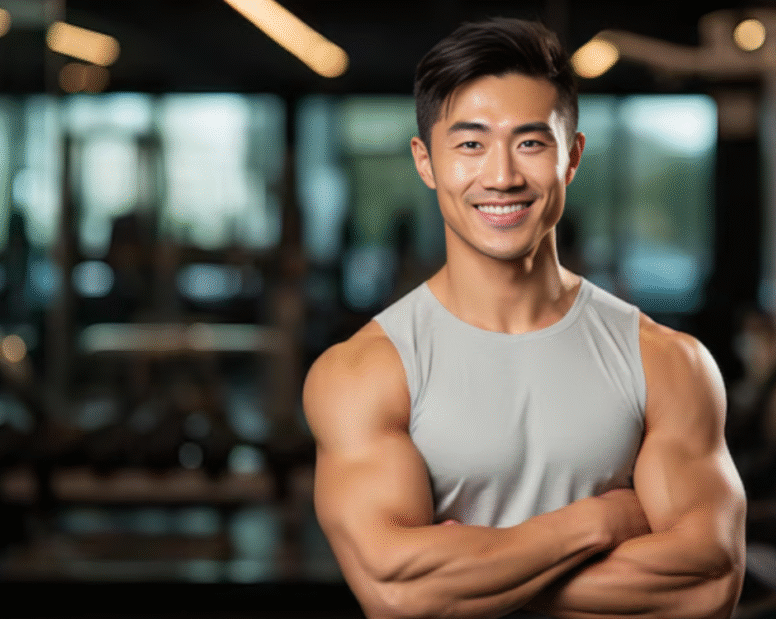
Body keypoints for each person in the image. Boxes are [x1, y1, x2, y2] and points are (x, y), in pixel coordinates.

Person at [303, 17, 746, 619]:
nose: (504, 176)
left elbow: (707, 586)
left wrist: (473, 584)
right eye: (470, 145)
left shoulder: (667, 362)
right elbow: (399, 597)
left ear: (573, 157)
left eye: (531, 143)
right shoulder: (367, 371)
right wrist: (593, 524)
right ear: (426, 162)